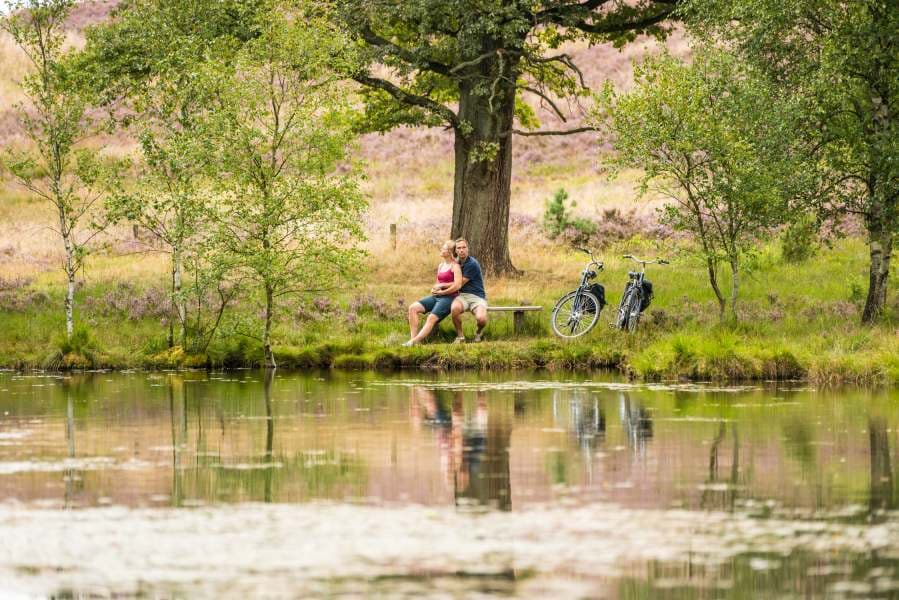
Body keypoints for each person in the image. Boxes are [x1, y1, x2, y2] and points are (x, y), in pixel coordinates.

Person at [403, 240, 463, 346]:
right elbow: (438, 283)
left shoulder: (455, 266)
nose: (441, 249)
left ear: (449, 252)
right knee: (413, 308)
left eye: (444, 248)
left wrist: (443, 291)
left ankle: (414, 342)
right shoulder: (441, 266)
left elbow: (457, 285)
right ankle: (413, 341)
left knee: (431, 318)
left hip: (450, 298)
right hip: (437, 296)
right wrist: (434, 290)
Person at [448, 238, 488, 343]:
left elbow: (459, 283)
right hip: (462, 296)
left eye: (464, 247)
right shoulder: (456, 263)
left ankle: (478, 332)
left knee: (481, 319)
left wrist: (441, 288)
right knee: (454, 309)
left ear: (468, 249)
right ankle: (460, 337)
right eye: (459, 248)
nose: (461, 250)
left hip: (477, 297)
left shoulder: (472, 264)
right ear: (455, 251)